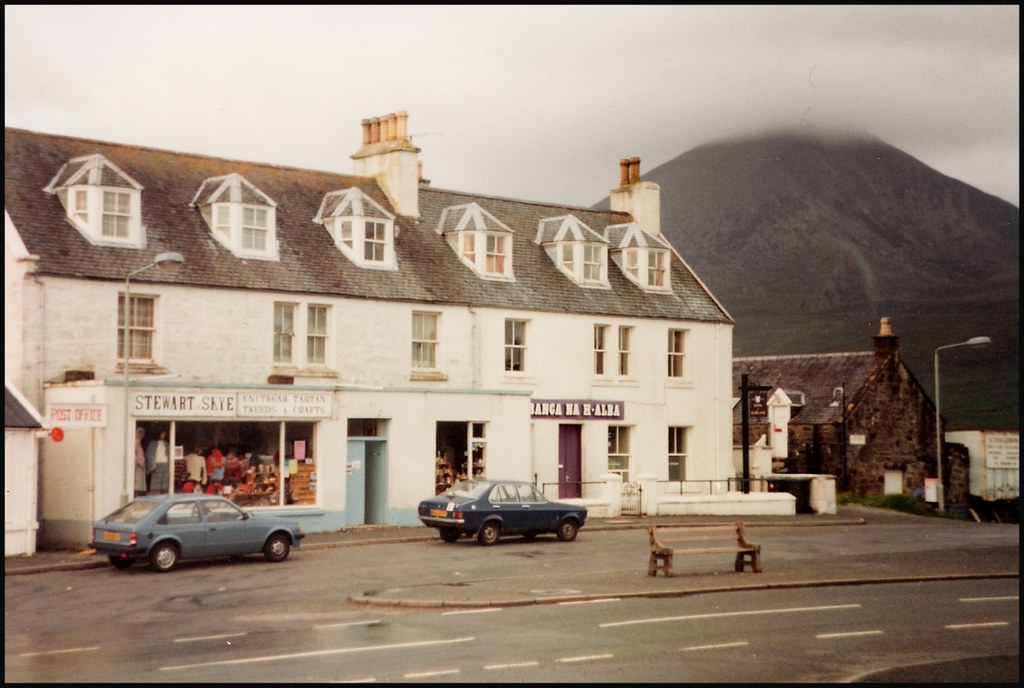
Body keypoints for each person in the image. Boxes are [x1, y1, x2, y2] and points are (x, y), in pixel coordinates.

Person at [133, 428, 146, 495]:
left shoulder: (139, 442)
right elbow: (135, 454)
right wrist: (139, 461)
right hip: (137, 465)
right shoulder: (134, 443)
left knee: (138, 485)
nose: (140, 435)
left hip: (140, 465)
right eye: (139, 433)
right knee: (136, 484)